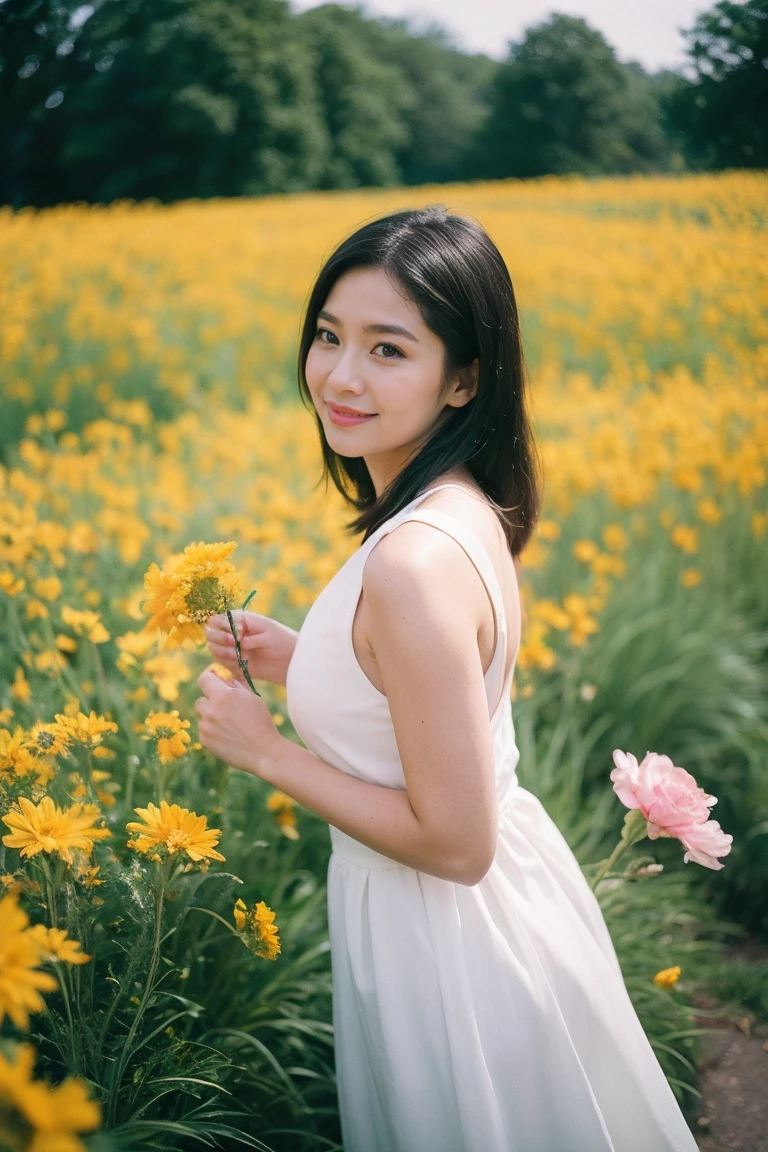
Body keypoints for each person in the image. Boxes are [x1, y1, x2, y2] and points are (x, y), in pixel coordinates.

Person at [196, 206, 700, 1151]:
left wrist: (265, 753)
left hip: (447, 937)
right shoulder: (461, 506)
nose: (341, 376)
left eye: (389, 350)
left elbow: (455, 841)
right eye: (329, 336)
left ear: (464, 378)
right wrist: (310, 659)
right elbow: (428, 707)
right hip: (491, 912)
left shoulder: (410, 562)